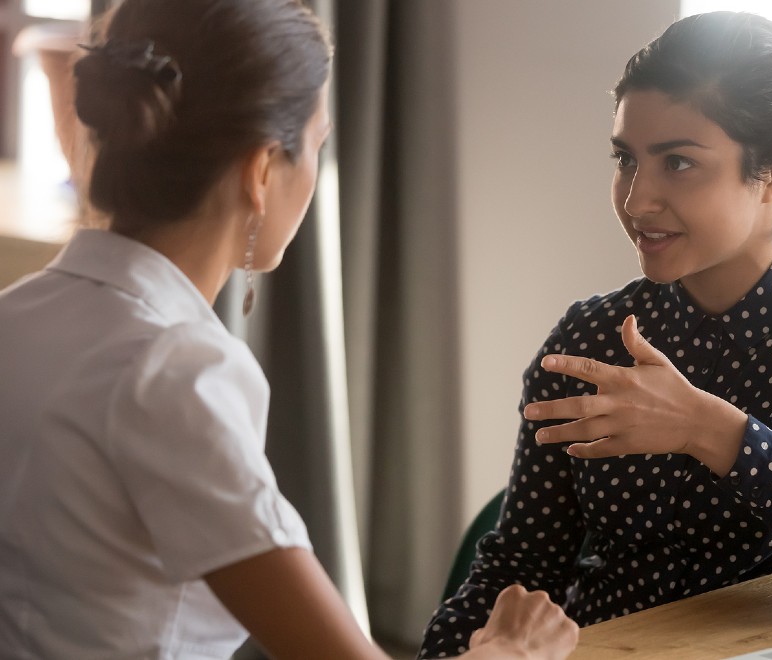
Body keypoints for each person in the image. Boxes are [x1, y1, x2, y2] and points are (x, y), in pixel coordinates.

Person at [0, 1, 578, 658]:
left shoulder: (14, 316)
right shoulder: (175, 373)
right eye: (316, 145)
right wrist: (511, 650)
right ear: (260, 170)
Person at [419, 10, 772, 658]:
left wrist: (715, 432)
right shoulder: (589, 340)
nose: (637, 199)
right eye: (626, 159)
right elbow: (516, 574)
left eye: (677, 163)